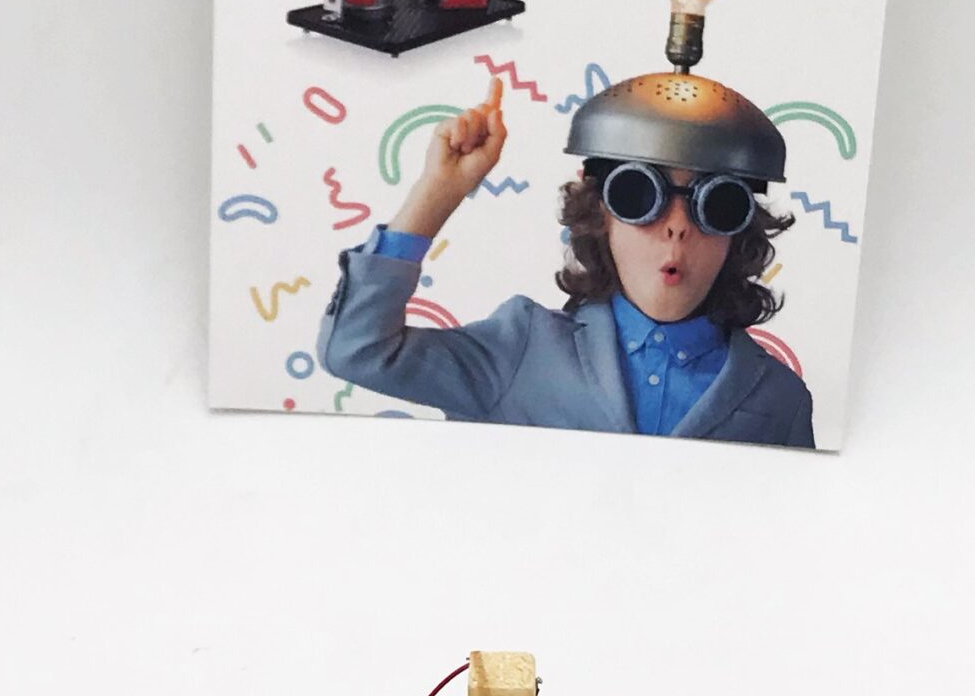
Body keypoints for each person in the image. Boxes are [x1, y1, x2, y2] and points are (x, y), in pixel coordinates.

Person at [316, 77, 816, 447]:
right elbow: (357, 349)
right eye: (639, 195)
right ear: (601, 215)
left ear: (740, 232)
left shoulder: (779, 399)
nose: (677, 227)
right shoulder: (522, 348)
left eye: (718, 206)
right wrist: (438, 192)